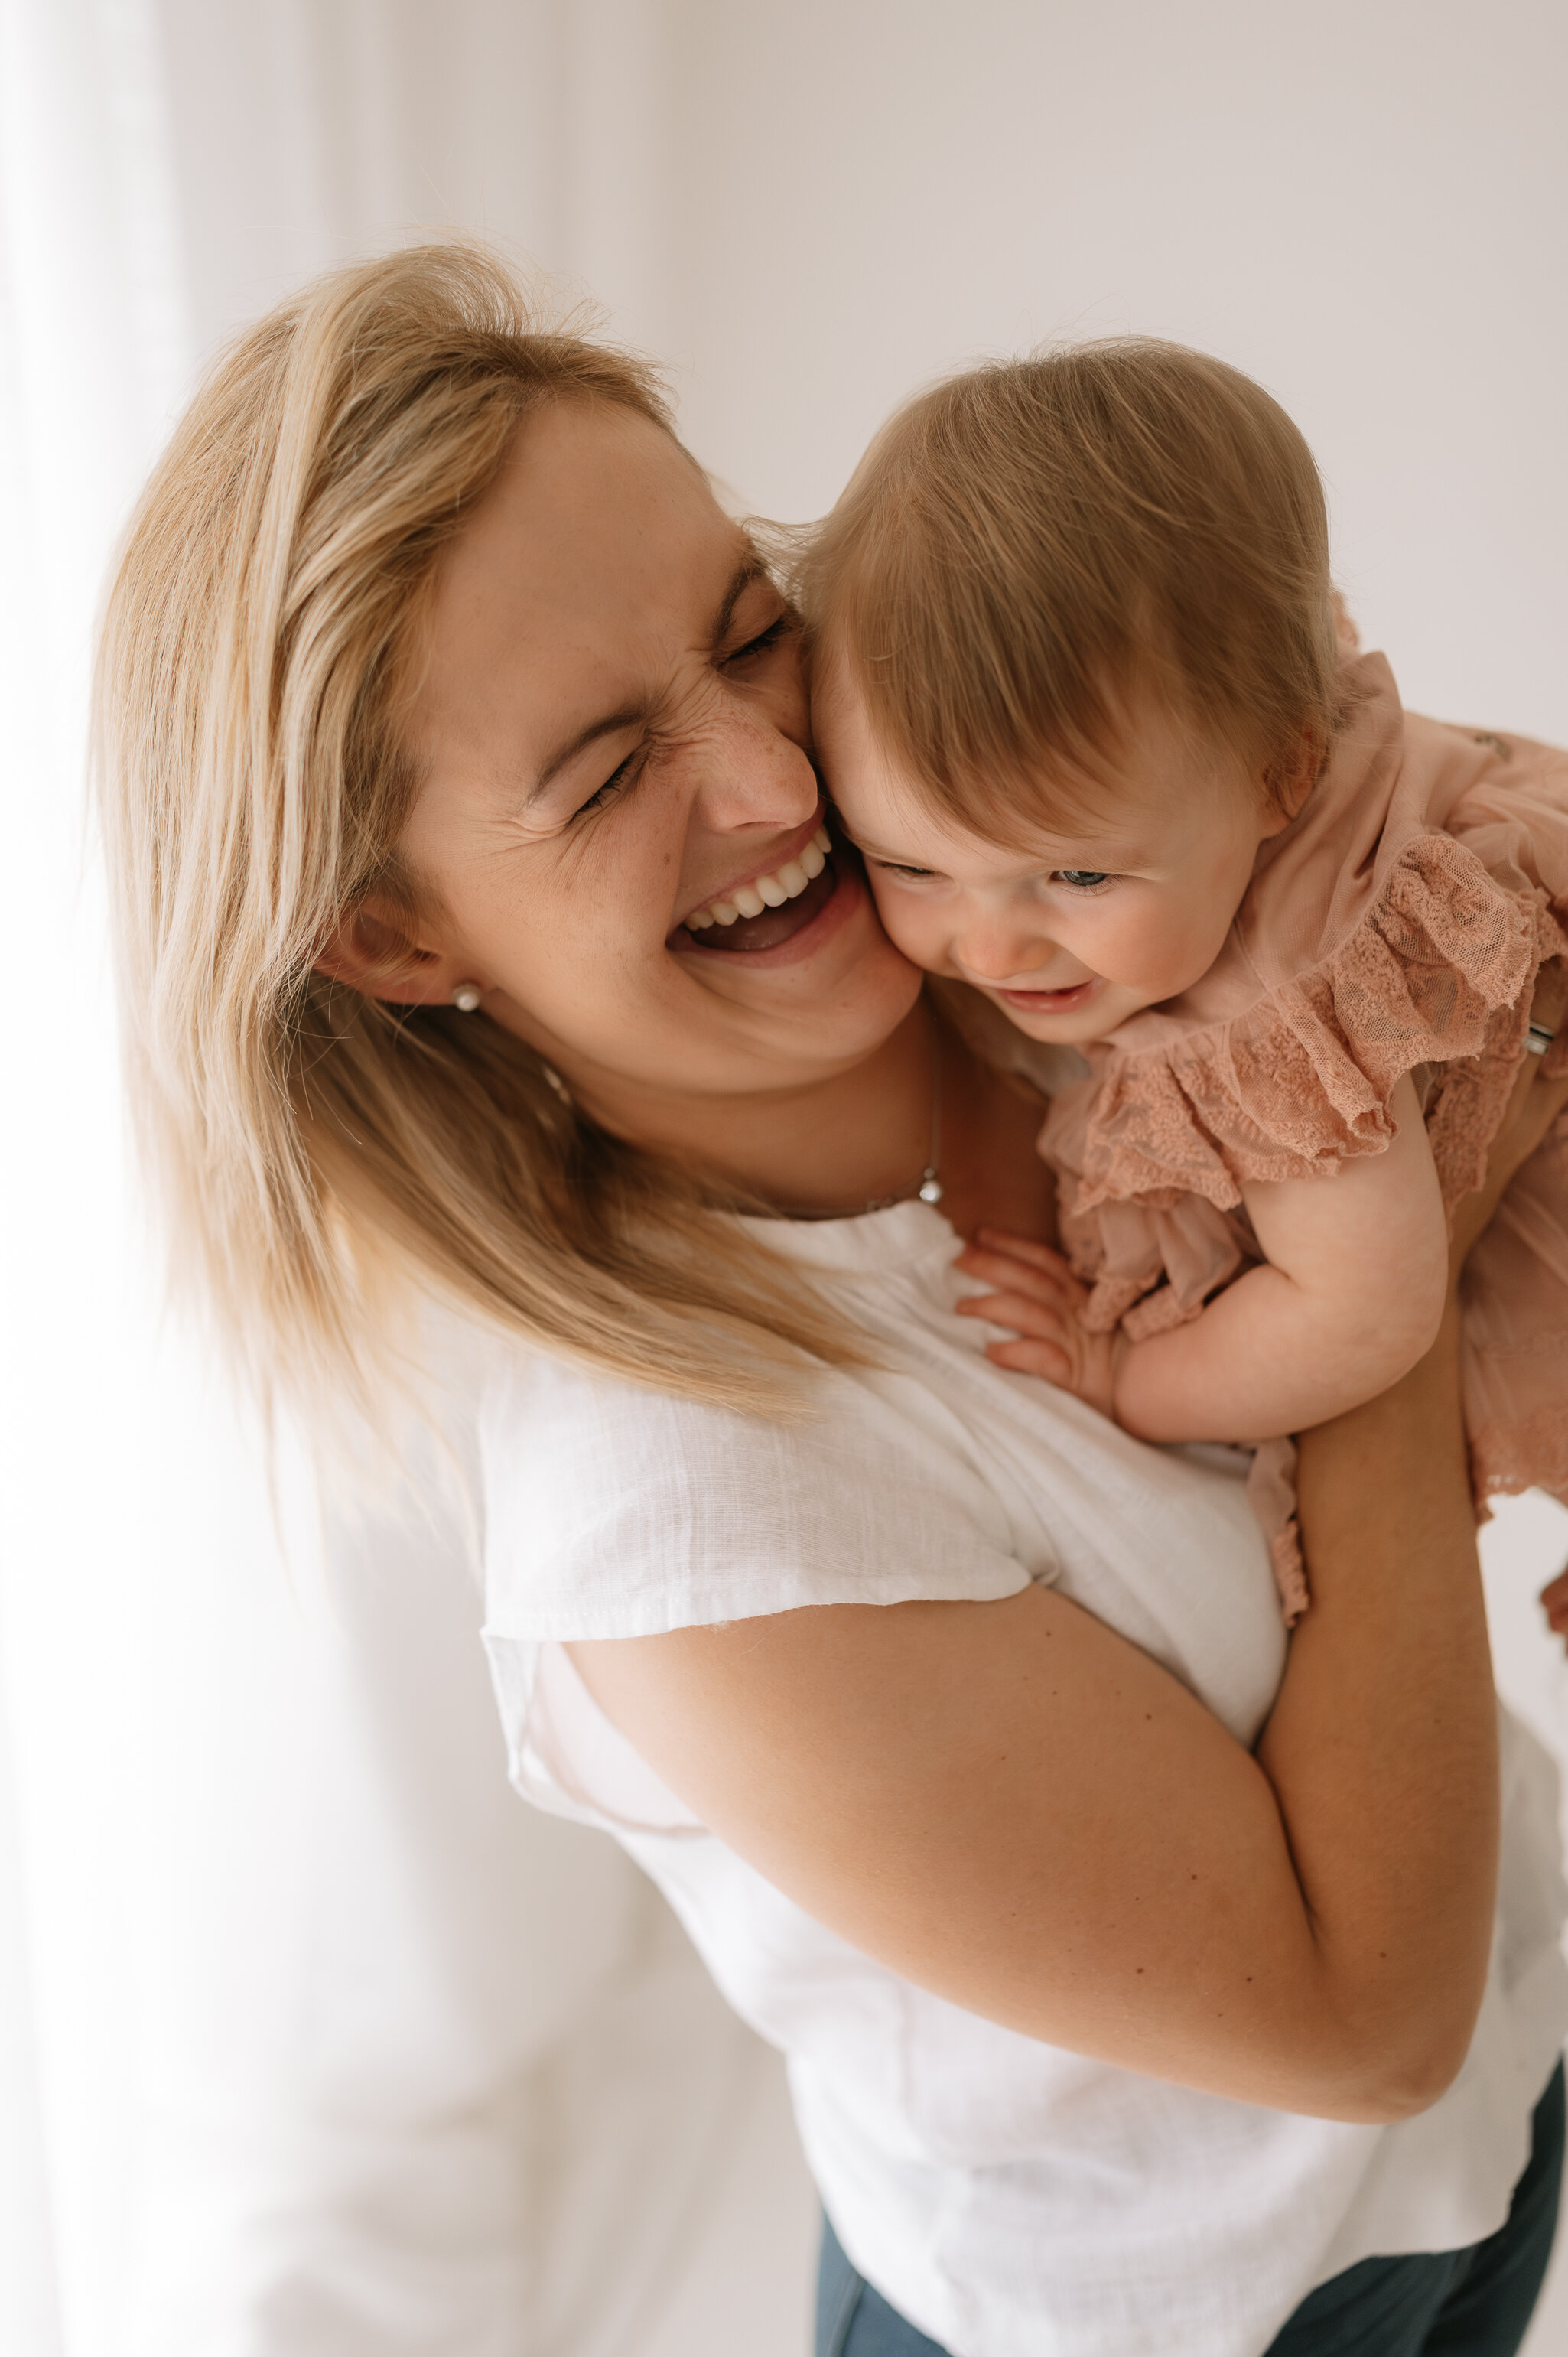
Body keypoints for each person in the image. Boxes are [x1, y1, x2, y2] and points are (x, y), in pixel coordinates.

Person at [96, 243, 1568, 2357]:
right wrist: (1376, 1241)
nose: (778, 785)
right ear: (399, 939)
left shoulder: (1037, 949)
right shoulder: (689, 1531)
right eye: (606, 773)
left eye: (749, 632)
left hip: (1490, 2141)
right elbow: (1357, 2017)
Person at [803, 344, 1568, 1620]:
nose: (989, 950)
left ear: (1282, 772)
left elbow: (1362, 1314)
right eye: (909, 863)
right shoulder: (1219, 756)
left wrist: (1117, 1378)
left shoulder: (1274, 994)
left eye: (1076, 879)